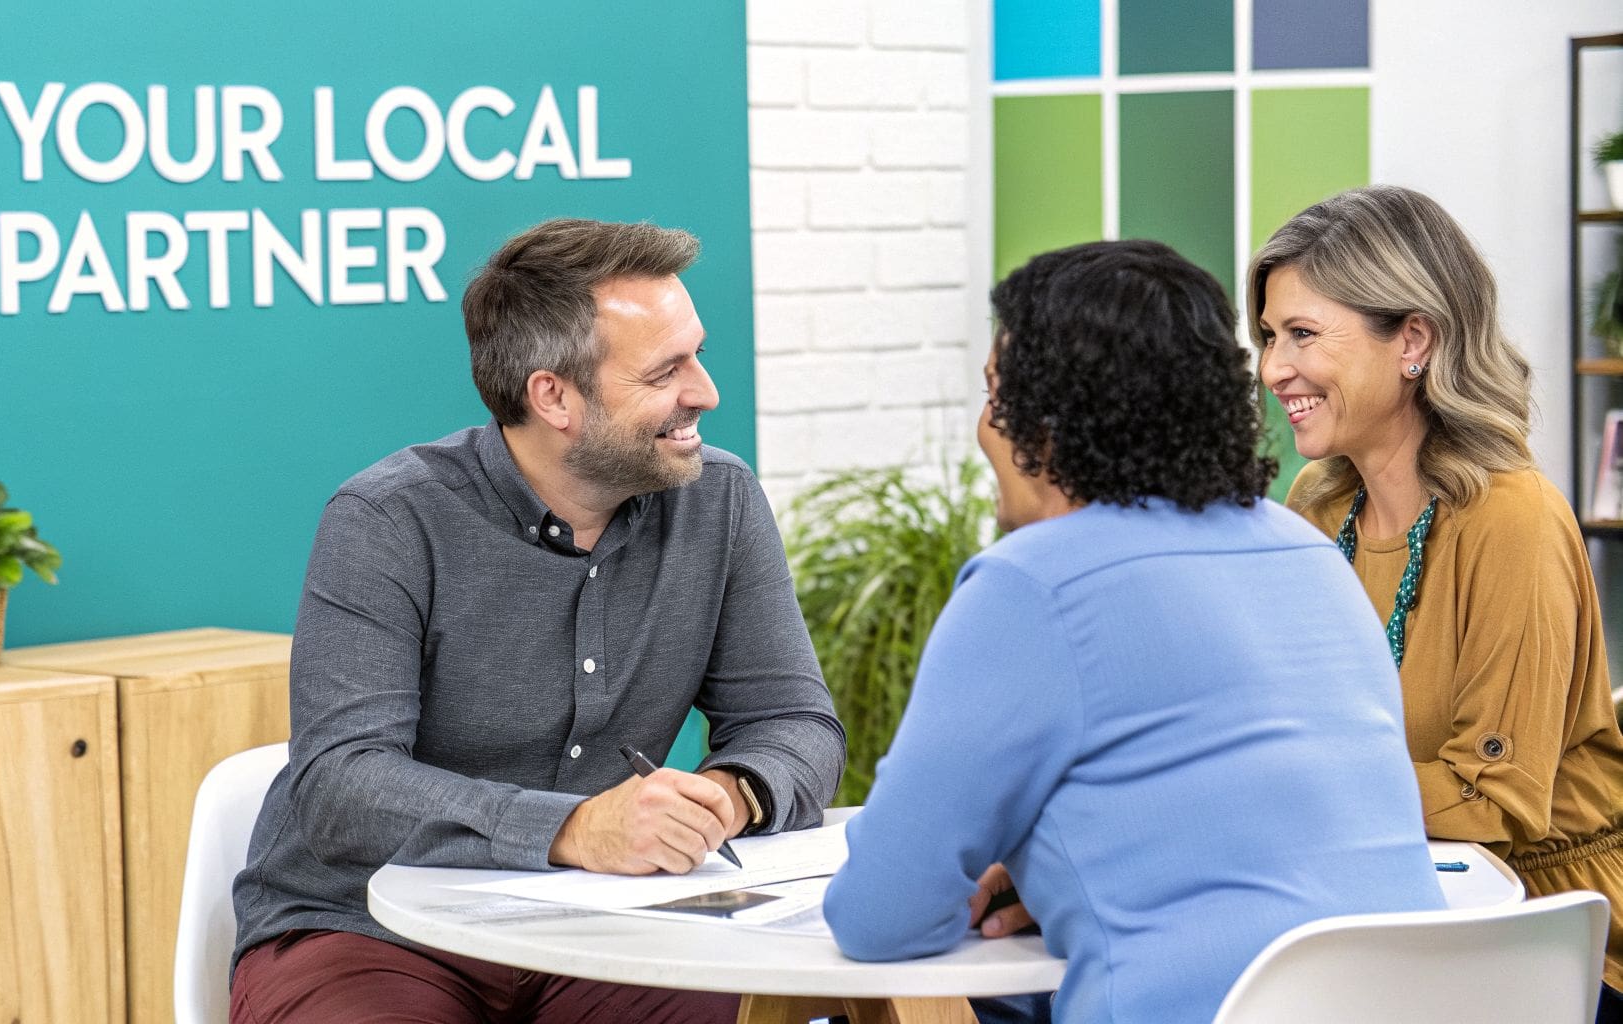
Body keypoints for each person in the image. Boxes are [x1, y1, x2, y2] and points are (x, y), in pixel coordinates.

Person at [230, 218, 845, 1024]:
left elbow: (795, 722)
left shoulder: (718, 500)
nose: (705, 391)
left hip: (607, 922)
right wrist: (577, 829)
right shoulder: (387, 519)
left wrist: (728, 797)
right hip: (368, 925)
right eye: (665, 371)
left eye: (696, 353)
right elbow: (341, 786)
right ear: (552, 394)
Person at [823, 239, 1446, 1024]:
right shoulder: (1310, 556)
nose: (985, 427)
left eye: (995, 394)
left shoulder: (1031, 584)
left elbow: (879, 916)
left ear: (1044, 422)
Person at [1254, 184, 1623, 1015]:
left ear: (1413, 339)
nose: (1275, 368)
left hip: (1542, 941)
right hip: (1379, 904)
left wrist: (1282, 782)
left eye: (1303, 335)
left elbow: (1491, 803)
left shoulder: (1511, 518)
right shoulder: (1317, 500)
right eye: (1272, 337)